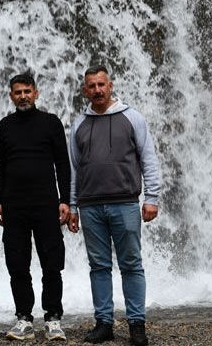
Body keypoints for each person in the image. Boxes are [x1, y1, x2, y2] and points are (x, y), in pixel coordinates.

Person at [67, 66, 161, 346]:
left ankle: (137, 325)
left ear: (110, 86)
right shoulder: (78, 124)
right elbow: (73, 168)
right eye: (91, 86)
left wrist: (152, 198)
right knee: (98, 266)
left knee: (132, 264)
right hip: (90, 206)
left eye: (101, 85)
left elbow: (149, 158)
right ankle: (104, 322)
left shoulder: (132, 118)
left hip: (125, 203)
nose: (97, 90)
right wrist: (72, 206)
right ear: (85, 90)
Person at [0, 73, 71, 341]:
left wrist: (65, 200)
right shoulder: (4, 126)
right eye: (18, 92)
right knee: (17, 262)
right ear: (11, 95)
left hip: (46, 204)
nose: (23, 96)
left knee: (52, 262)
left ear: (36, 93)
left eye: (27, 91)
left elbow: (62, 163)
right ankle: (24, 318)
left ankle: (53, 318)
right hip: (14, 205)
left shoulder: (51, 123)